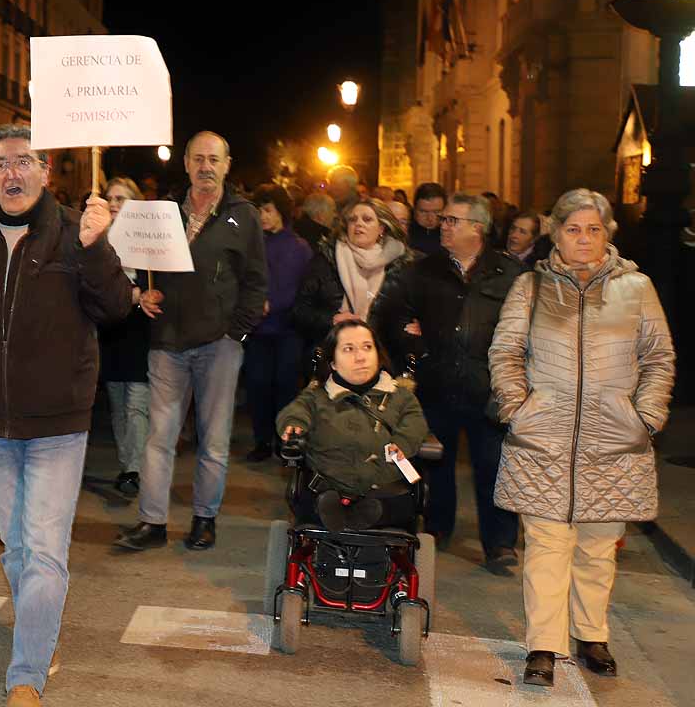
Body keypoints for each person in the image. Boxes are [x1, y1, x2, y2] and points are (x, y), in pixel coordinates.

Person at [0, 123, 131, 707]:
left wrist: (96, 249)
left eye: (24, 162)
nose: (12, 174)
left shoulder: (76, 232)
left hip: (57, 422)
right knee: (16, 548)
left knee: (43, 549)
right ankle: (41, 637)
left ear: (45, 171)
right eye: (1, 164)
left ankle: (26, 676)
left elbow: (115, 308)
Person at [488, 188, 674, 687]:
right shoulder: (530, 287)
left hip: (615, 441)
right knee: (547, 546)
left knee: (598, 547)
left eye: (594, 229)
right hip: (542, 438)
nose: (585, 239)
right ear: (556, 232)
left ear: (608, 234)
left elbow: (659, 358)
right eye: (574, 229)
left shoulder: (637, 288)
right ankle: (544, 645)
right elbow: (505, 351)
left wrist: (646, 417)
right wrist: (518, 408)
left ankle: (591, 633)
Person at [115, 130, 267, 553]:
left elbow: (256, 282)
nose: (205, 167)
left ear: (227, 165)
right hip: (167, 340)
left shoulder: (244, 216)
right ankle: (152, 521)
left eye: (214, 160)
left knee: (213, 438)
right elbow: (135, 264)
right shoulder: (161, 214)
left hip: (219, 344)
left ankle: (205, 518)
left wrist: (236, 331)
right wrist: (141, 294)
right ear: (185, 164)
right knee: (159, 436)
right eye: (198, 159)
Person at [381, 193, 523, 572]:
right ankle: (438, 528)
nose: (443, 225)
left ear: (477, 228)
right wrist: (415, 348)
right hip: (437, 382)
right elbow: (390, 315)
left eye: (452, 220)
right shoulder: (423, 270)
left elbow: (526, 330)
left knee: (493, 465)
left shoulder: (509, 274)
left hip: (488, 386)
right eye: (442, 220)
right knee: (436, 462)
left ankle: (500, 544)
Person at [276, 320, 427, 531]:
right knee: (319, 498)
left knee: (386, 505)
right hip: (328, 487)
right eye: (349, 349)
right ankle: (343, 514)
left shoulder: (401, 397)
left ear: (378, 355)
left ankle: (354, 517)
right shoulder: (316, 396)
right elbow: (295, 411)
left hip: (383, 489)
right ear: (333, 362)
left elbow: (415, 423)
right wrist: (294, 425)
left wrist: (402, 442)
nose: (360, 357)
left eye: (367, 347)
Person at [293, 198, 412, 360]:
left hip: (384, 356)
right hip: (333, 354)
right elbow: (300, 310)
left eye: (367, 219)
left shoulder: (401, 265)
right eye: (353, 219)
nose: (359, 224)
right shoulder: (326, 260)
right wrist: (331, 319)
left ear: (381, 229)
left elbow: (409, 311)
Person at [244, 184, 312, 462]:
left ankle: (286, 441)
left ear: (281, 212)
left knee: (285, 386)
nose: (262, 215)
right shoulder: (252, 242)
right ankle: (262, 440)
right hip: (258, 330)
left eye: (268, 210)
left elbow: (297, 287)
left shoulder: (297, 246)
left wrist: (271, 303)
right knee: (258, 384)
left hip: (287, 329)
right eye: (259, 209)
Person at [99, 177, 151, 494]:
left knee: (137, 405)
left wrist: (141, 292)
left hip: (141, 329)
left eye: (121, 198)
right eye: (110, 198)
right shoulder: (98, 239)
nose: (114, 203)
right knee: (118, 404)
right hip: (111, 330)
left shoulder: (149, 240)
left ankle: (134, 469)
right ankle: (126, 463)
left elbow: (161, 283)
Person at [409, 182, 446, 256]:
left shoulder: (453, 233)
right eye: (423, 212)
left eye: (436, 212)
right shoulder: (404, 232)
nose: (430, 218)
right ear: (414, 209)